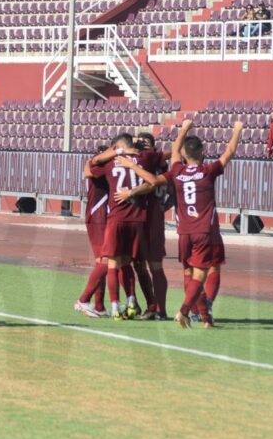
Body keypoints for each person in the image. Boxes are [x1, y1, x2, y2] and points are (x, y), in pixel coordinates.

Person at [117, 119, 244, 329]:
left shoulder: (177, 171)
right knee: (205, 273)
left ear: (184, 155)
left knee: (188, 272)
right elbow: (229, 152)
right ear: (202, 152)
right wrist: (237, 131)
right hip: (205, 231)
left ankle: (204, 317)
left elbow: (174, 151)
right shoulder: (208, 171)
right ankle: (186, 311)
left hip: (184, 232)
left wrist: (184, 127)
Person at [86, 134, 160, 321]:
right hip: (114, 217)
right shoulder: (138, 160)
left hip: (123, 218)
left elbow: (90, 166)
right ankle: (106, 304)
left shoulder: (139, 161)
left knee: (120, 263)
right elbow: (90, 166)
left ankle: (118, 304)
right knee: (122, 263)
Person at [113, 132, 171, 320]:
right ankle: (140, 303)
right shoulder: (141, 162)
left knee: (155, 266)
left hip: (153, 222)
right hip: (138, 219)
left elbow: (155, 185)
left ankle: (159, 309)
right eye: (139, 143)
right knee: (134, 263)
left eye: (147, 143)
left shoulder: (157, 165)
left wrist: (164, 207)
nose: (142, 146)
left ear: (155, 148)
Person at [75, 146, 111, 318]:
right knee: (104, 260)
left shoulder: (101, 167)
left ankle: (98, 305)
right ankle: (85, 300)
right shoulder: (101, 168)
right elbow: (89, 172)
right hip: (98, 216)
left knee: (104, 261)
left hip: (104, 216)